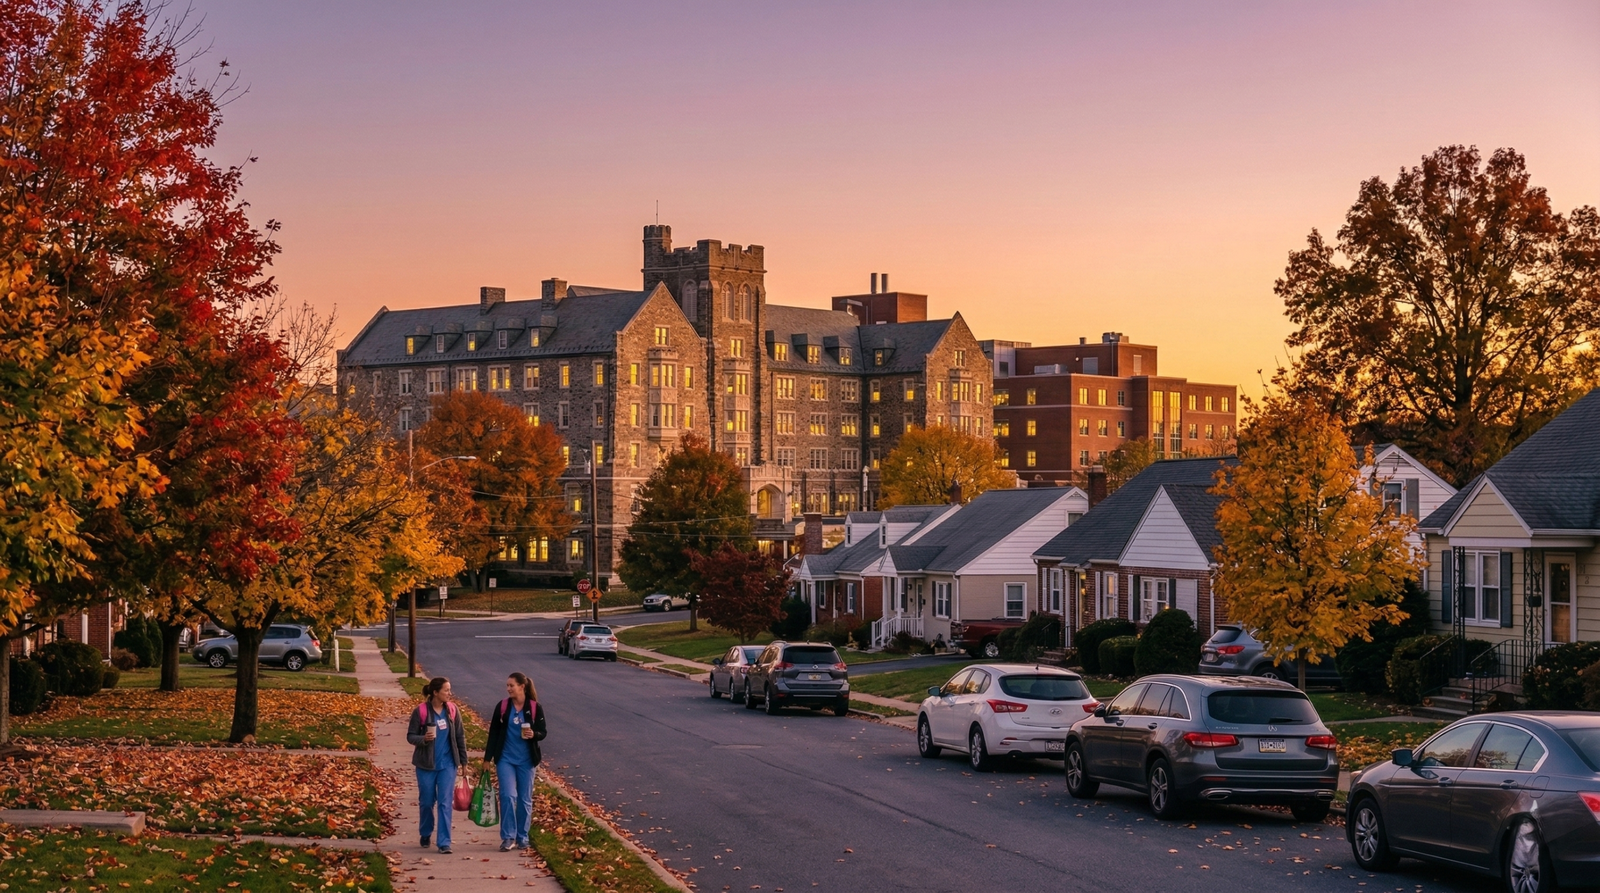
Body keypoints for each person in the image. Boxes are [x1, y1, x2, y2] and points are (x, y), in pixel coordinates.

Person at [483, 672, 547, 851]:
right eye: (507, 686)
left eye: (512, 685)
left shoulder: (534, 708)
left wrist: (534, 734)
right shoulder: (503, 707)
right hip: (505, 759)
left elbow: (543, 732)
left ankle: (522, 836)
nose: (508, 689)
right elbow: (494, 733)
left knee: (525, 799)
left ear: (522, 687)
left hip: (527, 760)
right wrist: (487, 758)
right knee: (508, 796)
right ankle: (508, 836)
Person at [407, 676, 467, 854]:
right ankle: (425, 833)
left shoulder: (452, 710)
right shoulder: (421, 712)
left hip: (448, 765)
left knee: (445, 803)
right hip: (426, 765)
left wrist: (463, 761)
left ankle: (444, 842)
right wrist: (423, 739)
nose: (450, 693)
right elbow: (410, 736)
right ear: (435, 692)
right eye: (446, 690)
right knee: (426, 802)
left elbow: (459, 737)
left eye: (450, 690)